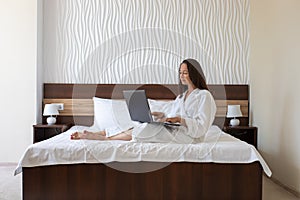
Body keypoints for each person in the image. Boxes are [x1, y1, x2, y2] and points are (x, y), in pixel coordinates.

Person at [71, 59, 216, 143]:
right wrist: (161, 116)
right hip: (176, 130)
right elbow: (172, 115)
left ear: (194, 74)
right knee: (141, 123)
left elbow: (201, 126)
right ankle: (102, 133)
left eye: (185, 73)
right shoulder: (181, 97)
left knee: (148, 128)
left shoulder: (204, 96)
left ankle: (105, 139)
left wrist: (180, 119)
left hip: (189, 137)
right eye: (180, 72)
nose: (181, 76)